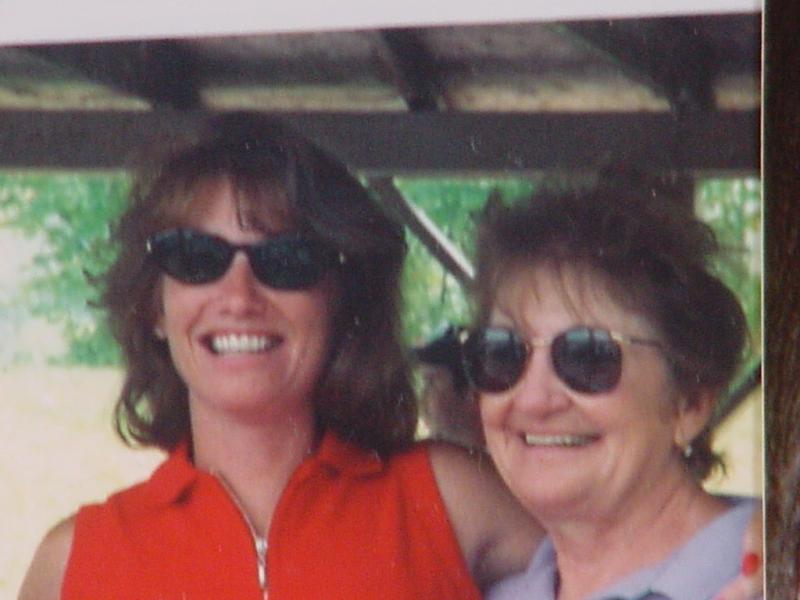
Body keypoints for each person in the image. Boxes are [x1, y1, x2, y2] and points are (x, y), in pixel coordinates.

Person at [18, 114, 538, 599]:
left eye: (286, 260)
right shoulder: (71, 562)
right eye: (197, 258)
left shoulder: (449, 501)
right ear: (154, 305)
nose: (239, 296)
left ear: (343, 300)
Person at [456, 178, 762, 599]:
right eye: (503, 352)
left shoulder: (776, 573)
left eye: (587, 356)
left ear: (690, 402)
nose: (534, 399)